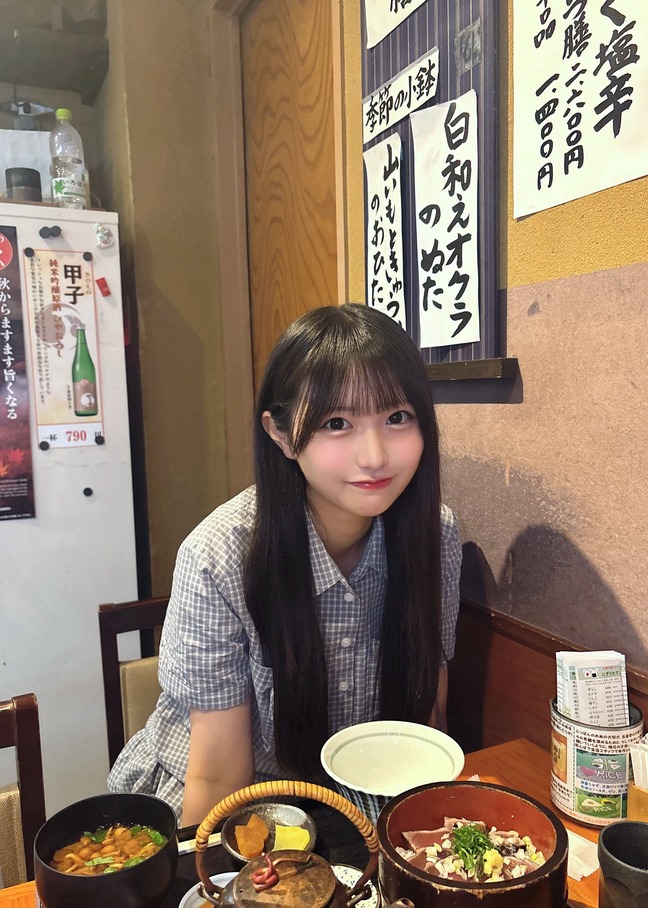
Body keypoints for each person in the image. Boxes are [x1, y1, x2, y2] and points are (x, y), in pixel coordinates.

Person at [108, 303, 462, 824]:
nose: (374, 455)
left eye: (397, 418)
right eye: (337, 423)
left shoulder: (435, 534)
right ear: (280, 434)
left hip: (355, 804)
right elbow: (218, 781)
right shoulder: (218, 558)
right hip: (232, 804)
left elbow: (428, 715)